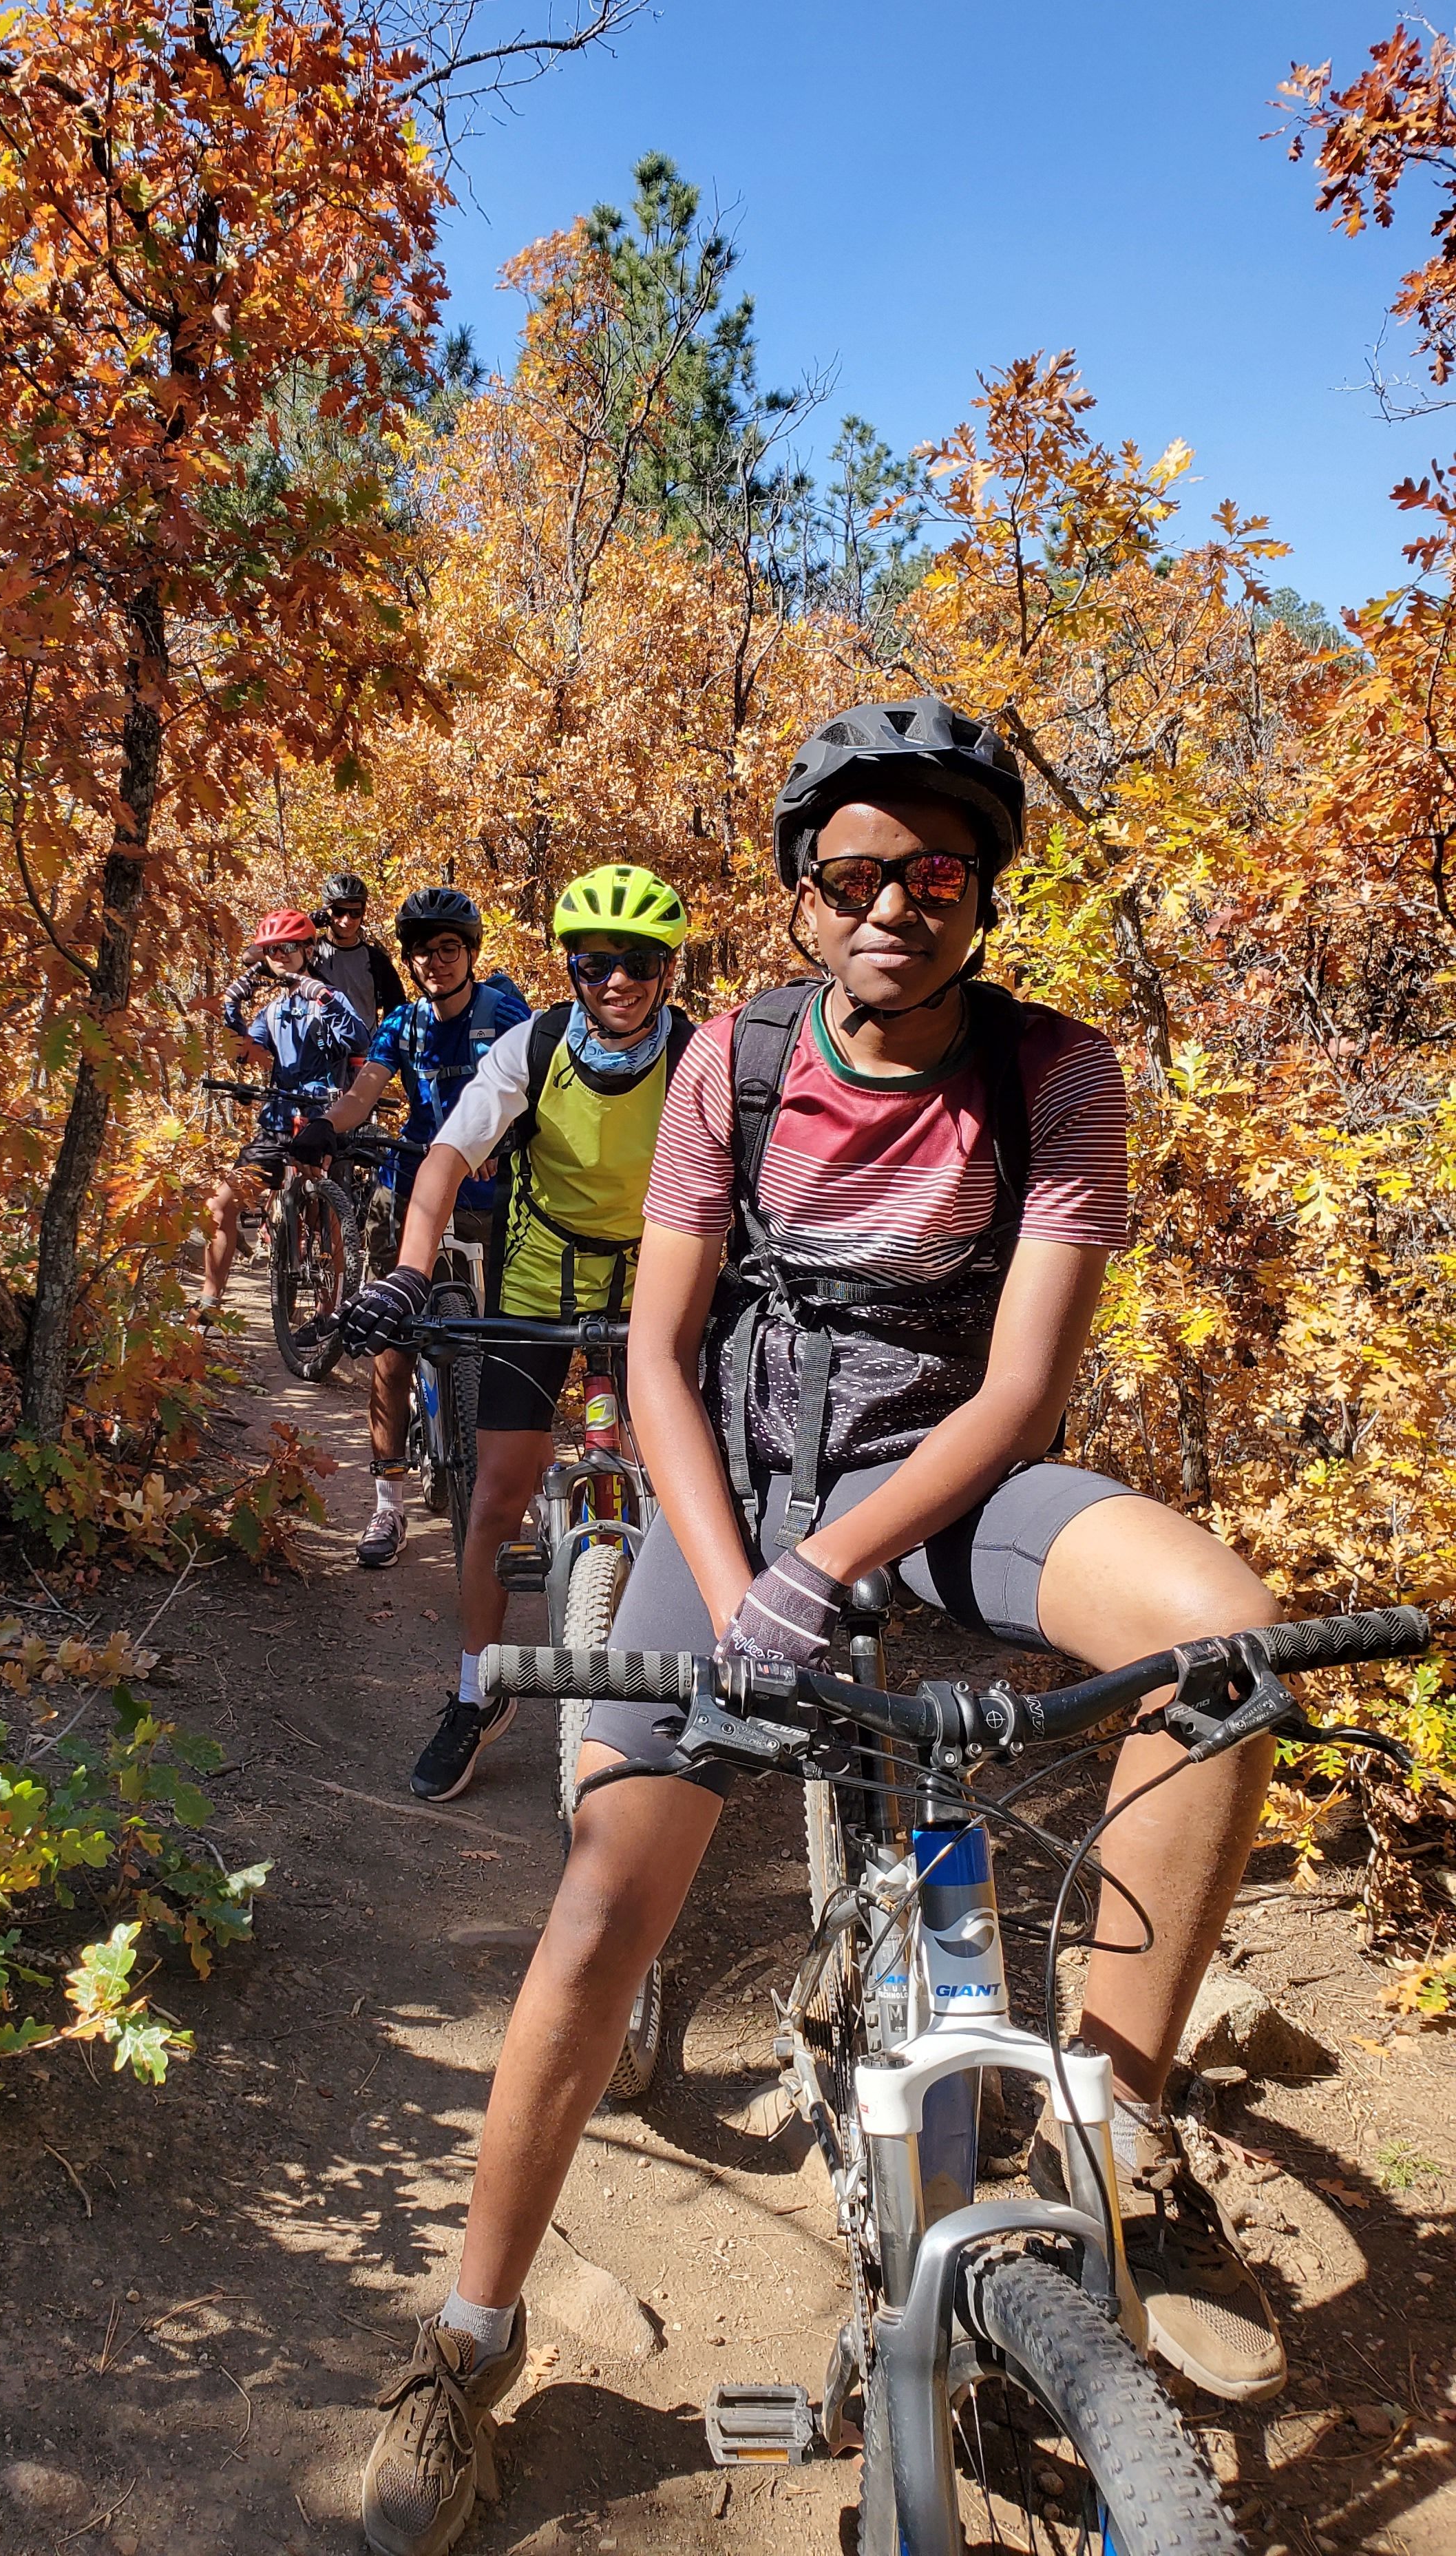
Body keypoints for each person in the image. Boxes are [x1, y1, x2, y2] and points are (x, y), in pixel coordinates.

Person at [357, 703, 1291, 2556]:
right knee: (608, 1906)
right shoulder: (735, 1061)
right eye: (852, 874)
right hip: (747, 1498)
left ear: (981, 895)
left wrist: (831, 1576)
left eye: (933, 874)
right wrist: (745, 1582)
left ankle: (1109, 2119)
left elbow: (1017, 1393)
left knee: (1225, 1643)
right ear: (799, 900)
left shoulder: (1060, 1076)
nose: (892, 906)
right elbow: (658, 1346)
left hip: (947, 1497)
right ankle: (463, 2347)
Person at [342, 863, 694, 1803]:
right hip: (542, 1280)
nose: (613, 980)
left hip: (656, 1282)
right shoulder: (533, 1049)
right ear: (569, 967)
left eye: (637, 962)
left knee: (694, 1490)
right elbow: (450, 1156)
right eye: (592, 963)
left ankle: (703, 1682)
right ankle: (476, 1690)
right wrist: (412, 1271)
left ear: (667, 969)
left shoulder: (702, 1058)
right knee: (499, 1496)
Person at [324, 889, 531, 1569]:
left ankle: (505, 1488)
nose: (434, 962)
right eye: (422, 952)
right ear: (409, 961)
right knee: (392, 1343)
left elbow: (537, 1084)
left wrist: (518, 1138)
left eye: (448, 949)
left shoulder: (505, 1011)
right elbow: (364, 1093)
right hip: (411, 1185)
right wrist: (324, 1130)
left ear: (470, 951)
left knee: (508, 1339)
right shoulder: (403, 1025)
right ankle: (389, 1506)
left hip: (493, 1193)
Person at [200, 909, 368, 1315]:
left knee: (327, 1215)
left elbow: (361, 1038)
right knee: (220, 1206)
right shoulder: (273, 1011)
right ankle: (207, 1305)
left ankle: (331, 1315)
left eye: (291, 947)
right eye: (273, 949)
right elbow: (244, 1055)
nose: (281, 955)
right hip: (277, 1124)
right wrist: (230, 1008)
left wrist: (322, 998)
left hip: (321, 1121)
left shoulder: (330, 998)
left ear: (309, 949)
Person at [312, 872, 408, 1043]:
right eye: (340, 912)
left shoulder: (376, 959)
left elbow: (397, 1012)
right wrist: (304, 926)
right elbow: (251, 957)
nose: (347, 920)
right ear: (326, 911)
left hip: (361, 1059)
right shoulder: (307, 952)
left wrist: (383, 1052)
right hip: (316, 1058)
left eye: (355, 913)